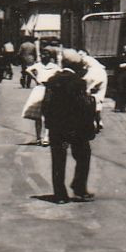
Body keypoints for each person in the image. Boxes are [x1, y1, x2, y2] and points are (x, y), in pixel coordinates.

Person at [41, 63, 98, 203]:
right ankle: (79, 189)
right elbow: (83, 105)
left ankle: (60, 195)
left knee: (58, 160)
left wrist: (49, 123)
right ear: (76, 67)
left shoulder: (52, 81)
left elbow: (45, 104)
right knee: (83, 156)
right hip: (75, 128)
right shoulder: (79, 82)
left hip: (57, 128)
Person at [21, 50, 60, 145]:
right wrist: (35, 78)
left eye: (46, 54)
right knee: (38, 116)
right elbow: (27, 70)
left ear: (50, 56)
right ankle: (38, 137)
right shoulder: (38, 65)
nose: (44, 56)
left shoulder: (54, 66)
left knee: (48, 114)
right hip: (39, 89)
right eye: (42, 54)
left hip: (50, 89)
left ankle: (46, 136)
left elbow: (60, 73)